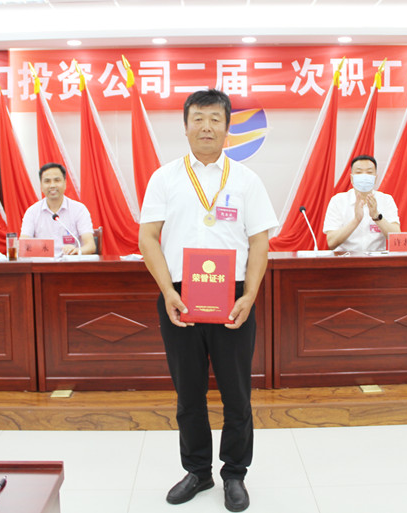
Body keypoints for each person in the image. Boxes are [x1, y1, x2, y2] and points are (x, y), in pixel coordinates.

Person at [138, 89, 278, 513]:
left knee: (237, 394)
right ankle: (197, 471)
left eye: (215, 119)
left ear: (227, 127)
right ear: (185, 127)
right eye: (198, 118)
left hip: (232, 297)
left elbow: (259, 242)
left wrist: (249, 296)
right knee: (189, 393)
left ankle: (234, 473)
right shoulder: (164, 177)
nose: (206, 127)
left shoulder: (246, 180)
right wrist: (168, 291)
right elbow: (148, 238)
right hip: (180, 297)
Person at [323, 155, 400, 252]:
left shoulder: (386, 200)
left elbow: (396, 238)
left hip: (376, 258)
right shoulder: (338, 201)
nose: (364, 176)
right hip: (345, 258)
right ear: (352, 178)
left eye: (369, 172)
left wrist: (377, 216)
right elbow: (331, 243)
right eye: (359, 172)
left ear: (375, 178)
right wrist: (356, 220)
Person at [20, 163, 96, 256]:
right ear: (41, 186)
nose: (52, 185)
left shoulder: (79, 209)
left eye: (57, 180)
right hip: (43, 263)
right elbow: (23, 245)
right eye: (47, 181)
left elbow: (90, 246)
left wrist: (77, 250)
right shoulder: (32, 212)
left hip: (70, 262)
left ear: (65, 183)